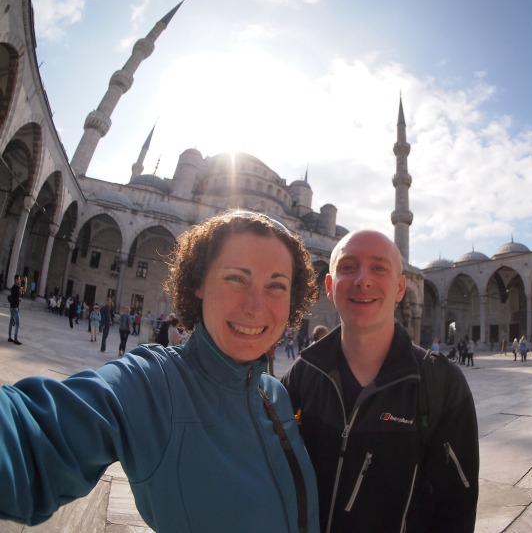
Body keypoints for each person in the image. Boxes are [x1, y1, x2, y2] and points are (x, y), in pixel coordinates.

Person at [0, 210, 321, 532]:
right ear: (199, 282)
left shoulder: (274, 394)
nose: (256, 307)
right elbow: (31, 438)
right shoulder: (153, 384)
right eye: (237, 278)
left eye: (276, 286)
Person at [282, 229, 478, 533]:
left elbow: (456, 510)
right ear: (330, 287)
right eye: (348, 267)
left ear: (400, 288)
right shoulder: (304, 373)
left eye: (379, 267)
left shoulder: (440, 384)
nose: (363, 280)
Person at [7, 274, 22, 345]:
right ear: (16, 279)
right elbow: (24, 289)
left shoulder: (13, 287)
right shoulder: (16, 287)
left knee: (11, 323)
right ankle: (15, 339)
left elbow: (14, 295)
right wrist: (26, 282)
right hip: (15, 308)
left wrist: (18, 299)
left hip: (12, 307)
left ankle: (10, 337)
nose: (20, 280)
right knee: (17, 324)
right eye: (19, 279)